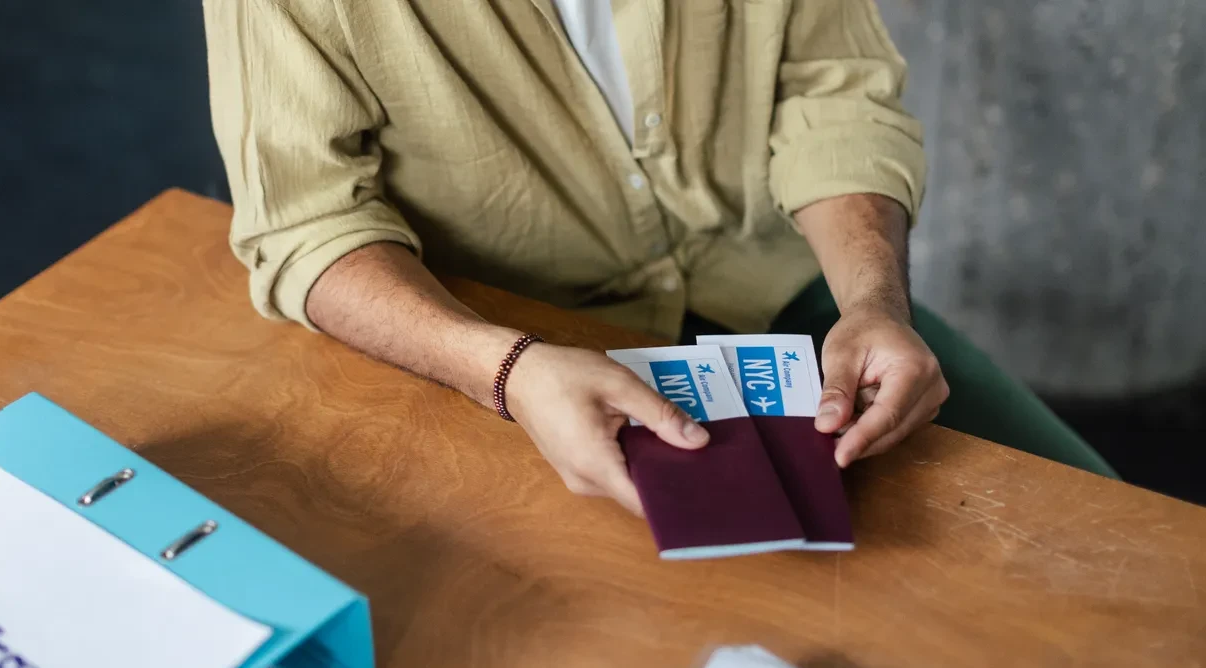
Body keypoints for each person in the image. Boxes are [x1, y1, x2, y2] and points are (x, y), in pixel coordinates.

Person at [203, 0, 1116, 516]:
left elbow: (834, 93)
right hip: (499, 337)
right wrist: (508, 369)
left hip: (772, 280)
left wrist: (872, 301)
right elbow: (306, 226)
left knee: (1108, 527)